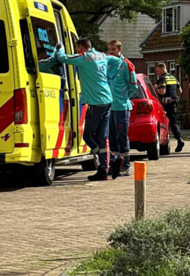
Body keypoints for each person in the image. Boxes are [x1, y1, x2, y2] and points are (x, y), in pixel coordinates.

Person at [51, 38, 125, 181]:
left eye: (77, 47)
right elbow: (118, 61)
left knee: (88, 136)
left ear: (81, 47)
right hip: (107, 100)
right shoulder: (102, 56)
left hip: (96, 102)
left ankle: (113, 159)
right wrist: (109, 76)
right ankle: (104, 169)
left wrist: (59, 47)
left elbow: (63, 58)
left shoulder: (84, 58)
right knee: (101, 137)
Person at [106, 40, 139, 178]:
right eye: (109, 49)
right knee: (111, 137)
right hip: (109, 106)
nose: (111, 52)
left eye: (113, 49)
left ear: (119, 49)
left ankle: (125, 166)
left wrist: (124, 98)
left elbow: (133, 86)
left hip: (121, 107)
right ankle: (114, 164)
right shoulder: (107, 63)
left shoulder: (127, 64)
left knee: (122, 137)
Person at [153, 63, 184, 153]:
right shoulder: (173, 77)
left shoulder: (162, 79)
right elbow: (180, 91)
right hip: (174, 102)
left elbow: (162, 92)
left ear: (163, 69)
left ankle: (170, 141)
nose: (157, 73)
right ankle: (179, 139)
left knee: (165, 123)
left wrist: (156, 88)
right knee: (173, 123)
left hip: (165, 104)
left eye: (158, 71)